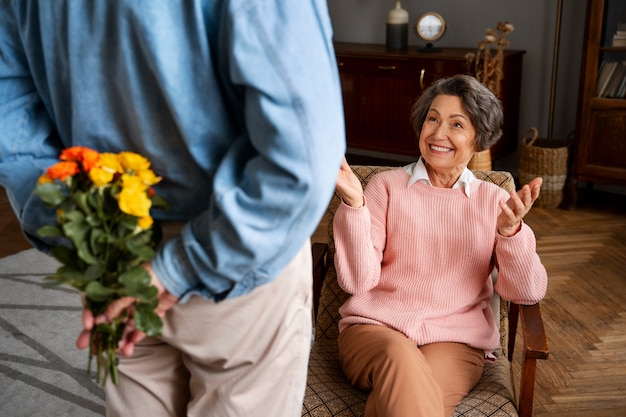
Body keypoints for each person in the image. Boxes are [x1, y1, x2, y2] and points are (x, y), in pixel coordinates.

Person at [0, 1, 345, 416]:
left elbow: (10, 119)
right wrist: (175, 267)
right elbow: (302, 158)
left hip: (113, 244)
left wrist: (81, 232)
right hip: (237, 251)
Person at [333, 74, 548, 417]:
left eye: (457, 124)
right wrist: (355, 205)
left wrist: (511, 233)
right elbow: (357, 282)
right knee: (401, 359)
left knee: (409, 403)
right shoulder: (384, 187)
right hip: (374, 332)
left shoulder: (495, 202)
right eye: (433, 118)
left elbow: (527, 292)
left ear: (480, 139)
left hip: (455, 341)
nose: (438, 134)